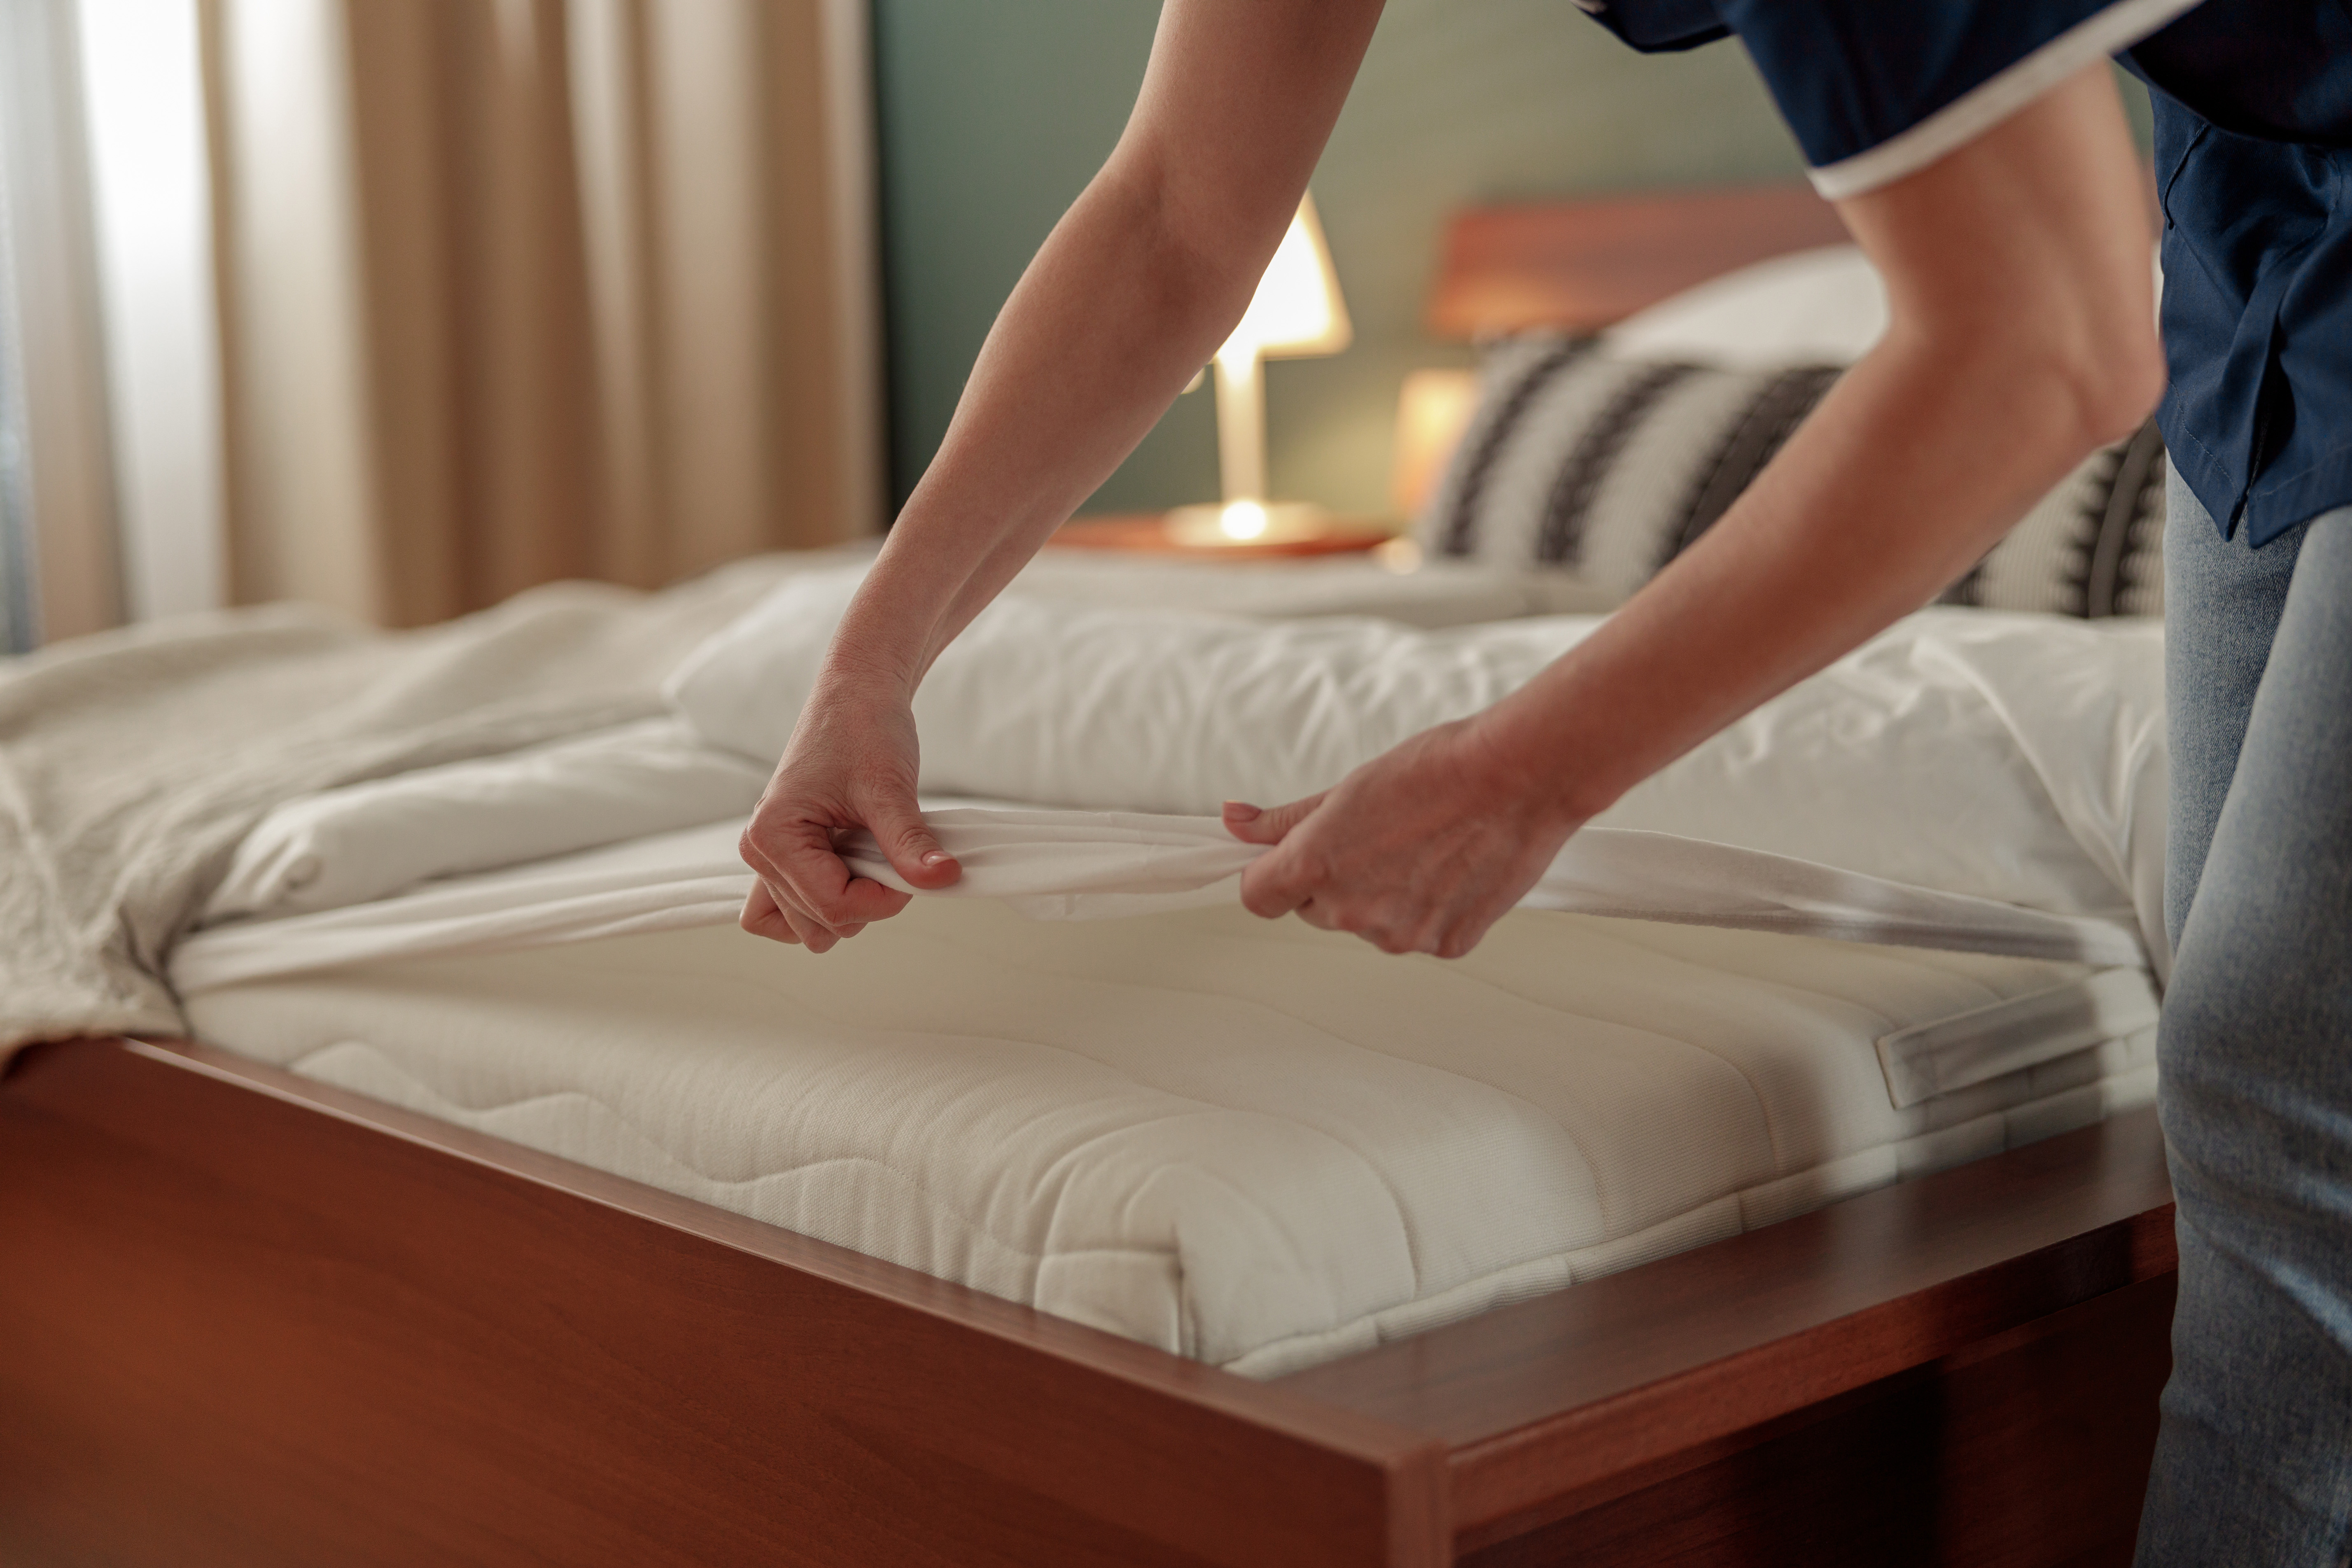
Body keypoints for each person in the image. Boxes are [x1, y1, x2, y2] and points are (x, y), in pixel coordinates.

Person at [736, 3, 2351, 1559]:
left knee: (2282, 1101)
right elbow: (1173, 209)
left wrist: (1526, 771)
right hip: (2269, 266)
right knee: (2272, 1131)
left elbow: (2041, 350)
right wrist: (868, 664)